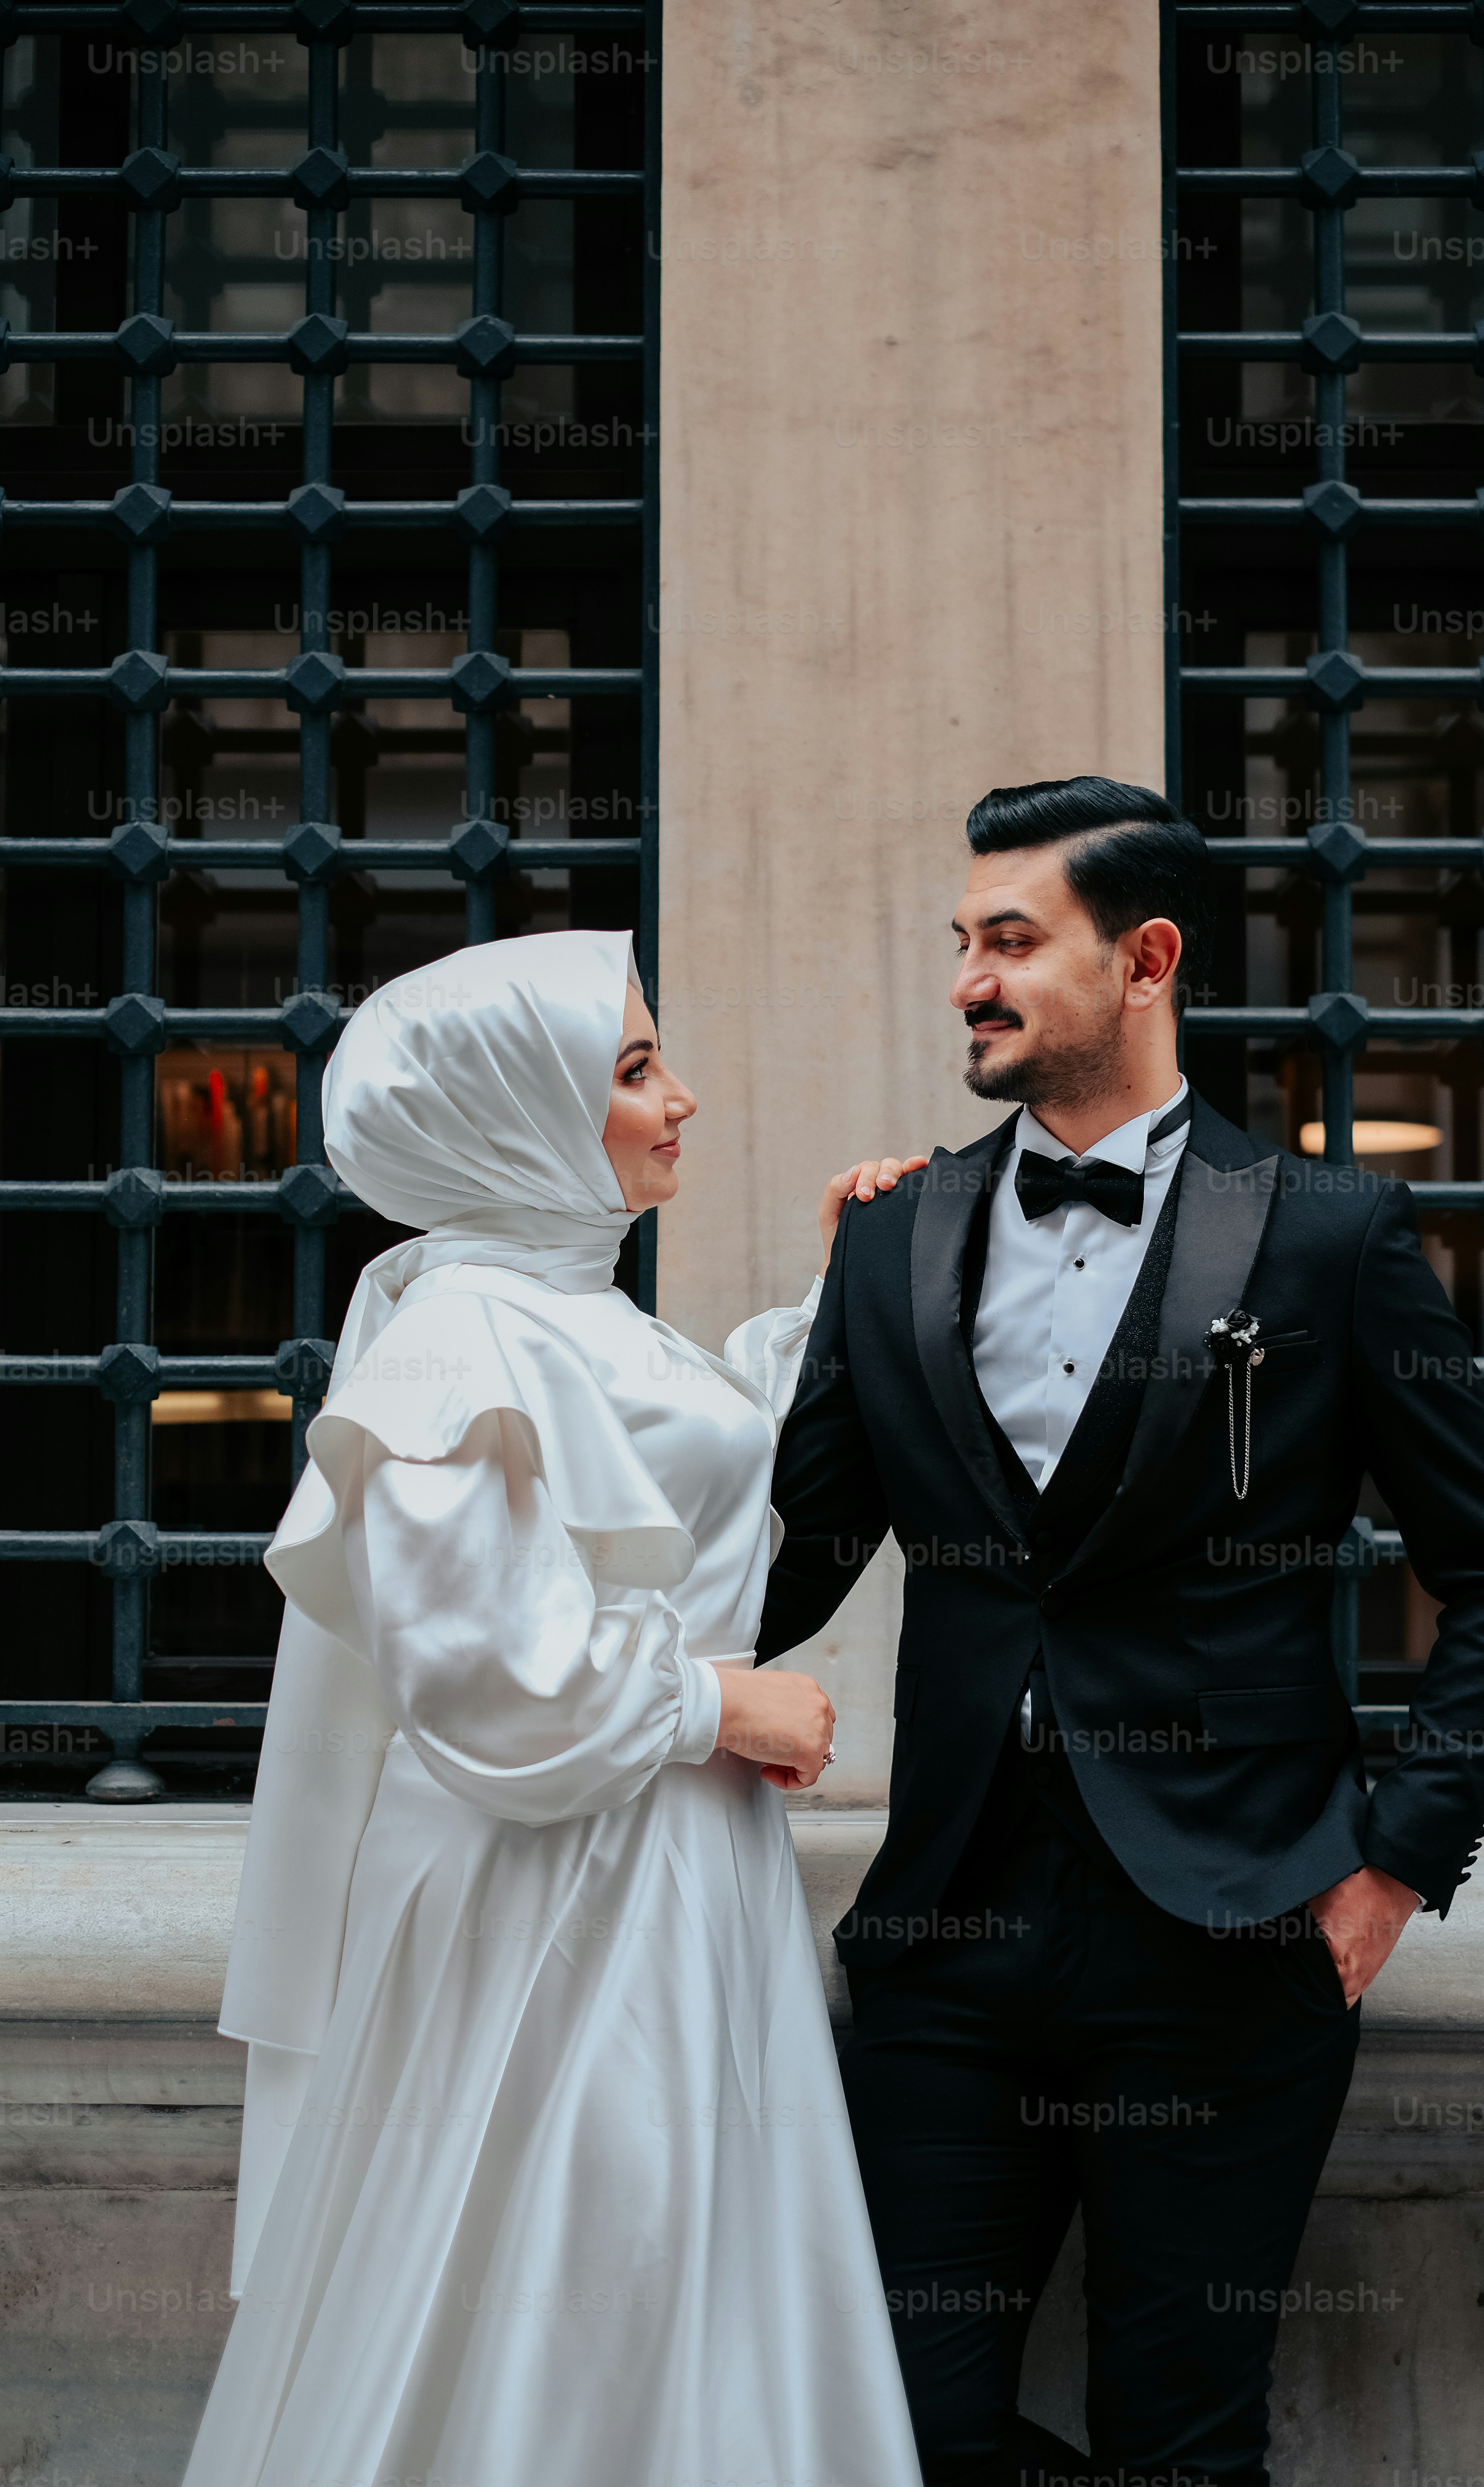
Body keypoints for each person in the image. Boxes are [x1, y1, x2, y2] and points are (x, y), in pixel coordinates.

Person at [757, 776, 1484, 2487]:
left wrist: (1389, 1867)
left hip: (1225, 1937)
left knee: (1180, 2441)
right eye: (959, 946)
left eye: (1009, 941)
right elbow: (790, 1561)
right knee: (889, 2429)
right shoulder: (892, 1235)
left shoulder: (1328, 1235)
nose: (968, 980)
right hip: (947, 1943)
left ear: (1145, 959)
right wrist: (579, 1654)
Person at [182, 928, 927, 2487]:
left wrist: (833, 1284)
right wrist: (713, 1700)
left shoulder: (570, 1310)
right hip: (557, 1903)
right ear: (515, 1112)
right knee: (589, 2271)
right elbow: (482, 1678)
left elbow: (687, 1465)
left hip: (660, 1877)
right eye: (636, 1069)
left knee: (680, 2286)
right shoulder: (461, 1338)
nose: (684, 1097)